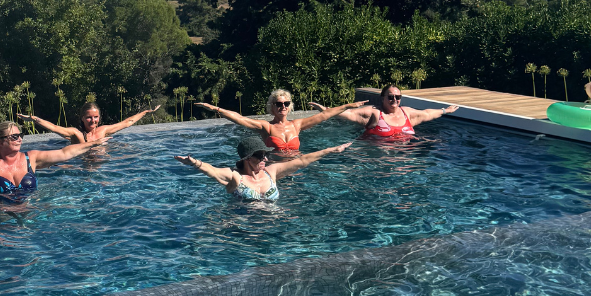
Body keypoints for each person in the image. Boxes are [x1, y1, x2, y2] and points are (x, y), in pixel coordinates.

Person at [175, 134, 353, 201]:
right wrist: (194, 163)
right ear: (247, 158)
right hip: (245, 230)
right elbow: (212, 171)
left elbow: (302, 161)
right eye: (260, 155)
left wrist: (332, 150)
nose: (265, 158)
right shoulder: (236, 177)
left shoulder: (271, 172)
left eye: (265, 154)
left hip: (274, 226)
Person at [194, 90, 362, 153]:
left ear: (289, 107)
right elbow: (239, 118)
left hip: (296, 169)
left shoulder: (297, 125)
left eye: (286, 104)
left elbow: (324, 115)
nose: (283, 107)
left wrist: (348, 105)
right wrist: (216, 109)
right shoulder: (265, 127)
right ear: (272, 107)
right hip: (275, 170)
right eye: (279, 104)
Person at [311, 85, 457, 139]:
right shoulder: (374, 113)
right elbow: (349, 114)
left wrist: (445, 110)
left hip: (405, 162)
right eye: (391, 97)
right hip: (379, 162)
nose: (395, 100)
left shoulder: (407, 113)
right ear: (383, 98)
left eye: (398, 97)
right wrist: (326, 110)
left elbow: (427, 113)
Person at [16, 101, 161, 144]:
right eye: (89, 117)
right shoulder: (76, 134)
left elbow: (127, 122)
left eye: (96, 117)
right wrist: (34, 119)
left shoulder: (103, 130)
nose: (93, 120)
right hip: (82, 168)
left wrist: (147, 112)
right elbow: (54, 128)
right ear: (82, 118)